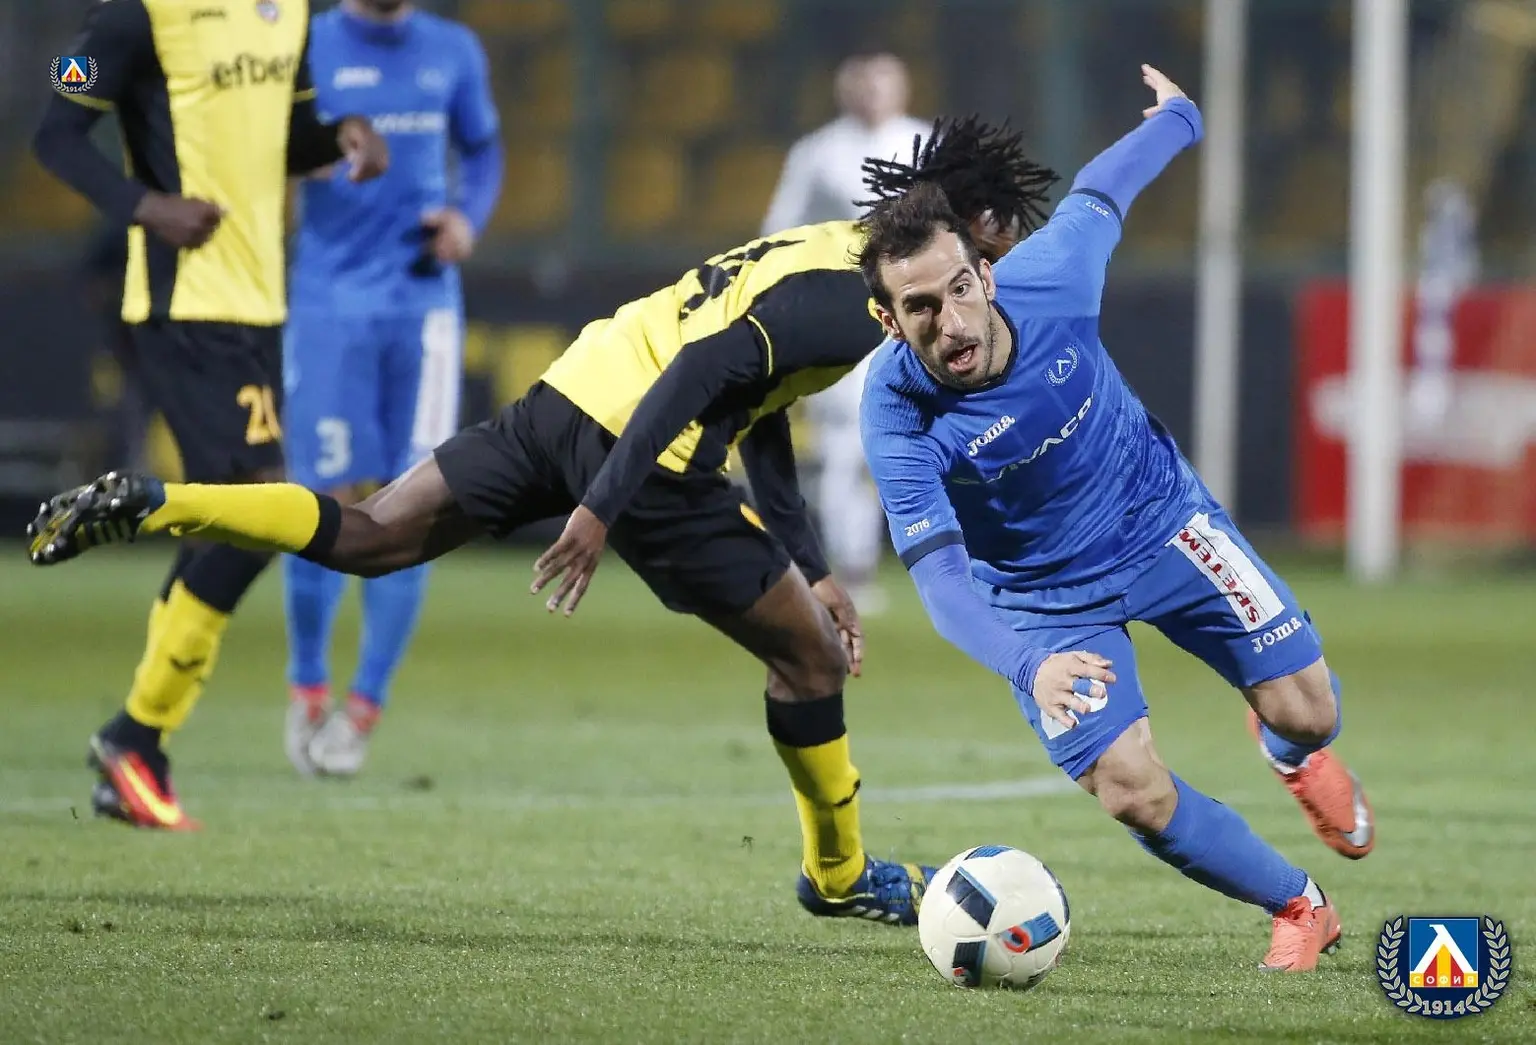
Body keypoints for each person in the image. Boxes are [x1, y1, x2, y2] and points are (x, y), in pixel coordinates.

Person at [27, 117, 1050, 925]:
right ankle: (840, 875)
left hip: (573, 391)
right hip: (647, 459)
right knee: (814, 661)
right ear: (964, 222)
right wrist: (601, 510)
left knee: (373, 533)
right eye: (996, 242)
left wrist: (810, 560)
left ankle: (159, 502)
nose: (991, 276)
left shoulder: (841, 251)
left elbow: (760, 394)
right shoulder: (860, 303)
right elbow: (704, 374)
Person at [857, 66, 1375, 973]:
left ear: (986, 272)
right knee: (1131, 788)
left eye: (959, 289)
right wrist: (1031, 662)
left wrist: (1181, 118)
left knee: (1309, 710)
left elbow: (1104, 188)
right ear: (890, 320)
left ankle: (1292, 753)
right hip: (1042, 603)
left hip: (1163, 523)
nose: (951, 321)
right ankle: (1300, 904)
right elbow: (938, 578)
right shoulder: (896, 412)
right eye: (921, 308)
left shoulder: (1055, 275)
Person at [30, 0, 388, 830]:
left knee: (234, 523)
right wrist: (147, 207)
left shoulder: (288, 13)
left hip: (258, 304)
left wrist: (342, 136)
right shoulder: (135, 16)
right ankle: (136, 735)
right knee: (259, 510)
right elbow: (55, 133)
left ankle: (137, 746)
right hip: (184, 302)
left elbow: (287, 137)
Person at [282, 0, 504, 779]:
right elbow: (262, 145)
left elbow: (483, 149)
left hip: (423, 309)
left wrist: (467, 218)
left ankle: (364, 707)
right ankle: (308, 684)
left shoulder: (453, 49)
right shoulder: (302, 44)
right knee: (322, 500)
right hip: (329, 307)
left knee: (416, 500)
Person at [761, 53, 931, 613]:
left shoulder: (927, 146)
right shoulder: (818, 153)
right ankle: (849, 568)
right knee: (846, 442)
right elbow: (779, 232)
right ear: (844, 91)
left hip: (917, 316)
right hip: (843, 314)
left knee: (911, 439)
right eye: (863, 85)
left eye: (884, 84)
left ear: (903, 89)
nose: (873, 95)